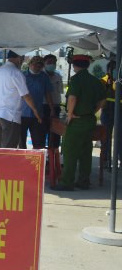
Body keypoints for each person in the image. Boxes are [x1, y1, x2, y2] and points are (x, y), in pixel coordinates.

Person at [53, 54, 106, 191]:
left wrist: (70, 115)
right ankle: (83, 181)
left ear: (75, 65)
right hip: (89, 119)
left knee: (70, 152)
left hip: (77, 121)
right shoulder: (95, 81)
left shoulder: (76, 80)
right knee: (85, 152)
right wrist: (93, 111)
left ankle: (67, 182)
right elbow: (102, 101)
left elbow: (72, 98)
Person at [0, 51, 42, 148]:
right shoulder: (16, 73)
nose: (22, 61)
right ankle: (6, 164)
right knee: (9, 148)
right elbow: (26, 95)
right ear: (19, 58)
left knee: (1, 147)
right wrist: (35, 110)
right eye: (22, 58)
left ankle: (0, 163)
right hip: (10, 115)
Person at [19, 56, 54, 149]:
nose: (37, 67)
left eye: (40, 66)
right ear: (30, 65)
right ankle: (22, 162)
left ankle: (36, 161)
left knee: (38, 142)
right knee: (21, 141)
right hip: (22, 113)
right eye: (35, 65)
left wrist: (52, 108)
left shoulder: (44, 77)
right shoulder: (22, 76)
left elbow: (48, 94)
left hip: (38, 114)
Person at [42, 54, 64, 151]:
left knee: (56, 132)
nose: (52, 64)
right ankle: (44, 155)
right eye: (49, 62)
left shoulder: (58, 76)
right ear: (44, 64)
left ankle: (54, 152)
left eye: (53, 62)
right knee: (43, 131)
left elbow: (60, 92)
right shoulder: (41, 76)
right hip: (43, 107)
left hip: (56, 106)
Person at [100, 59, 118, 170]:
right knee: (105, 137)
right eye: (113, 69)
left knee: (119, 138)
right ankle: (105, 160)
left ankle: (118, 159)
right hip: (107, 111)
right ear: (109, 70)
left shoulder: (119, 80)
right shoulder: (103, 81)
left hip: (119, 111)